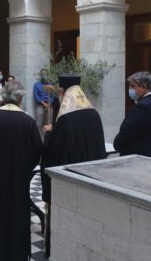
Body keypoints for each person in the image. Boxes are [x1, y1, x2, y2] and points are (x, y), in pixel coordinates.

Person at [0, 81, 43, 261]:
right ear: (21, 97)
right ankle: (14, 252)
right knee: (15, 212)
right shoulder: (28, 121)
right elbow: (38, 150)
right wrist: (23, 168)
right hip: (17, 177)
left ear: (3, 96)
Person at [41, 74, 106, 257]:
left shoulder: (66, 118)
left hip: (71, 177)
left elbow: (54, 149)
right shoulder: (93, 112)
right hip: (91, 175)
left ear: (62, 92)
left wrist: (48, 134)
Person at [113, 71, 151, 160]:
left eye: (132, 86)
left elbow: (127, 132)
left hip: (140, 158)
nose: (130, 89)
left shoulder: (142, 107)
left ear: (144, 87)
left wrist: (117, 144)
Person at [33, 68, 55, 137]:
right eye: (42, 74)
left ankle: (48, 137)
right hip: (41, 104)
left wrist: (50, 103)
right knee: (39, 120)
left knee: (49, 122)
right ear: (40, 75)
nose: (44, 75)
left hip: (49, 104)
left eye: (45, 74)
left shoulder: (51, 84)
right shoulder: (36, 85)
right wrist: (43, 103)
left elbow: (53, 95)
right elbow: (36, 95)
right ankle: (38, 136)